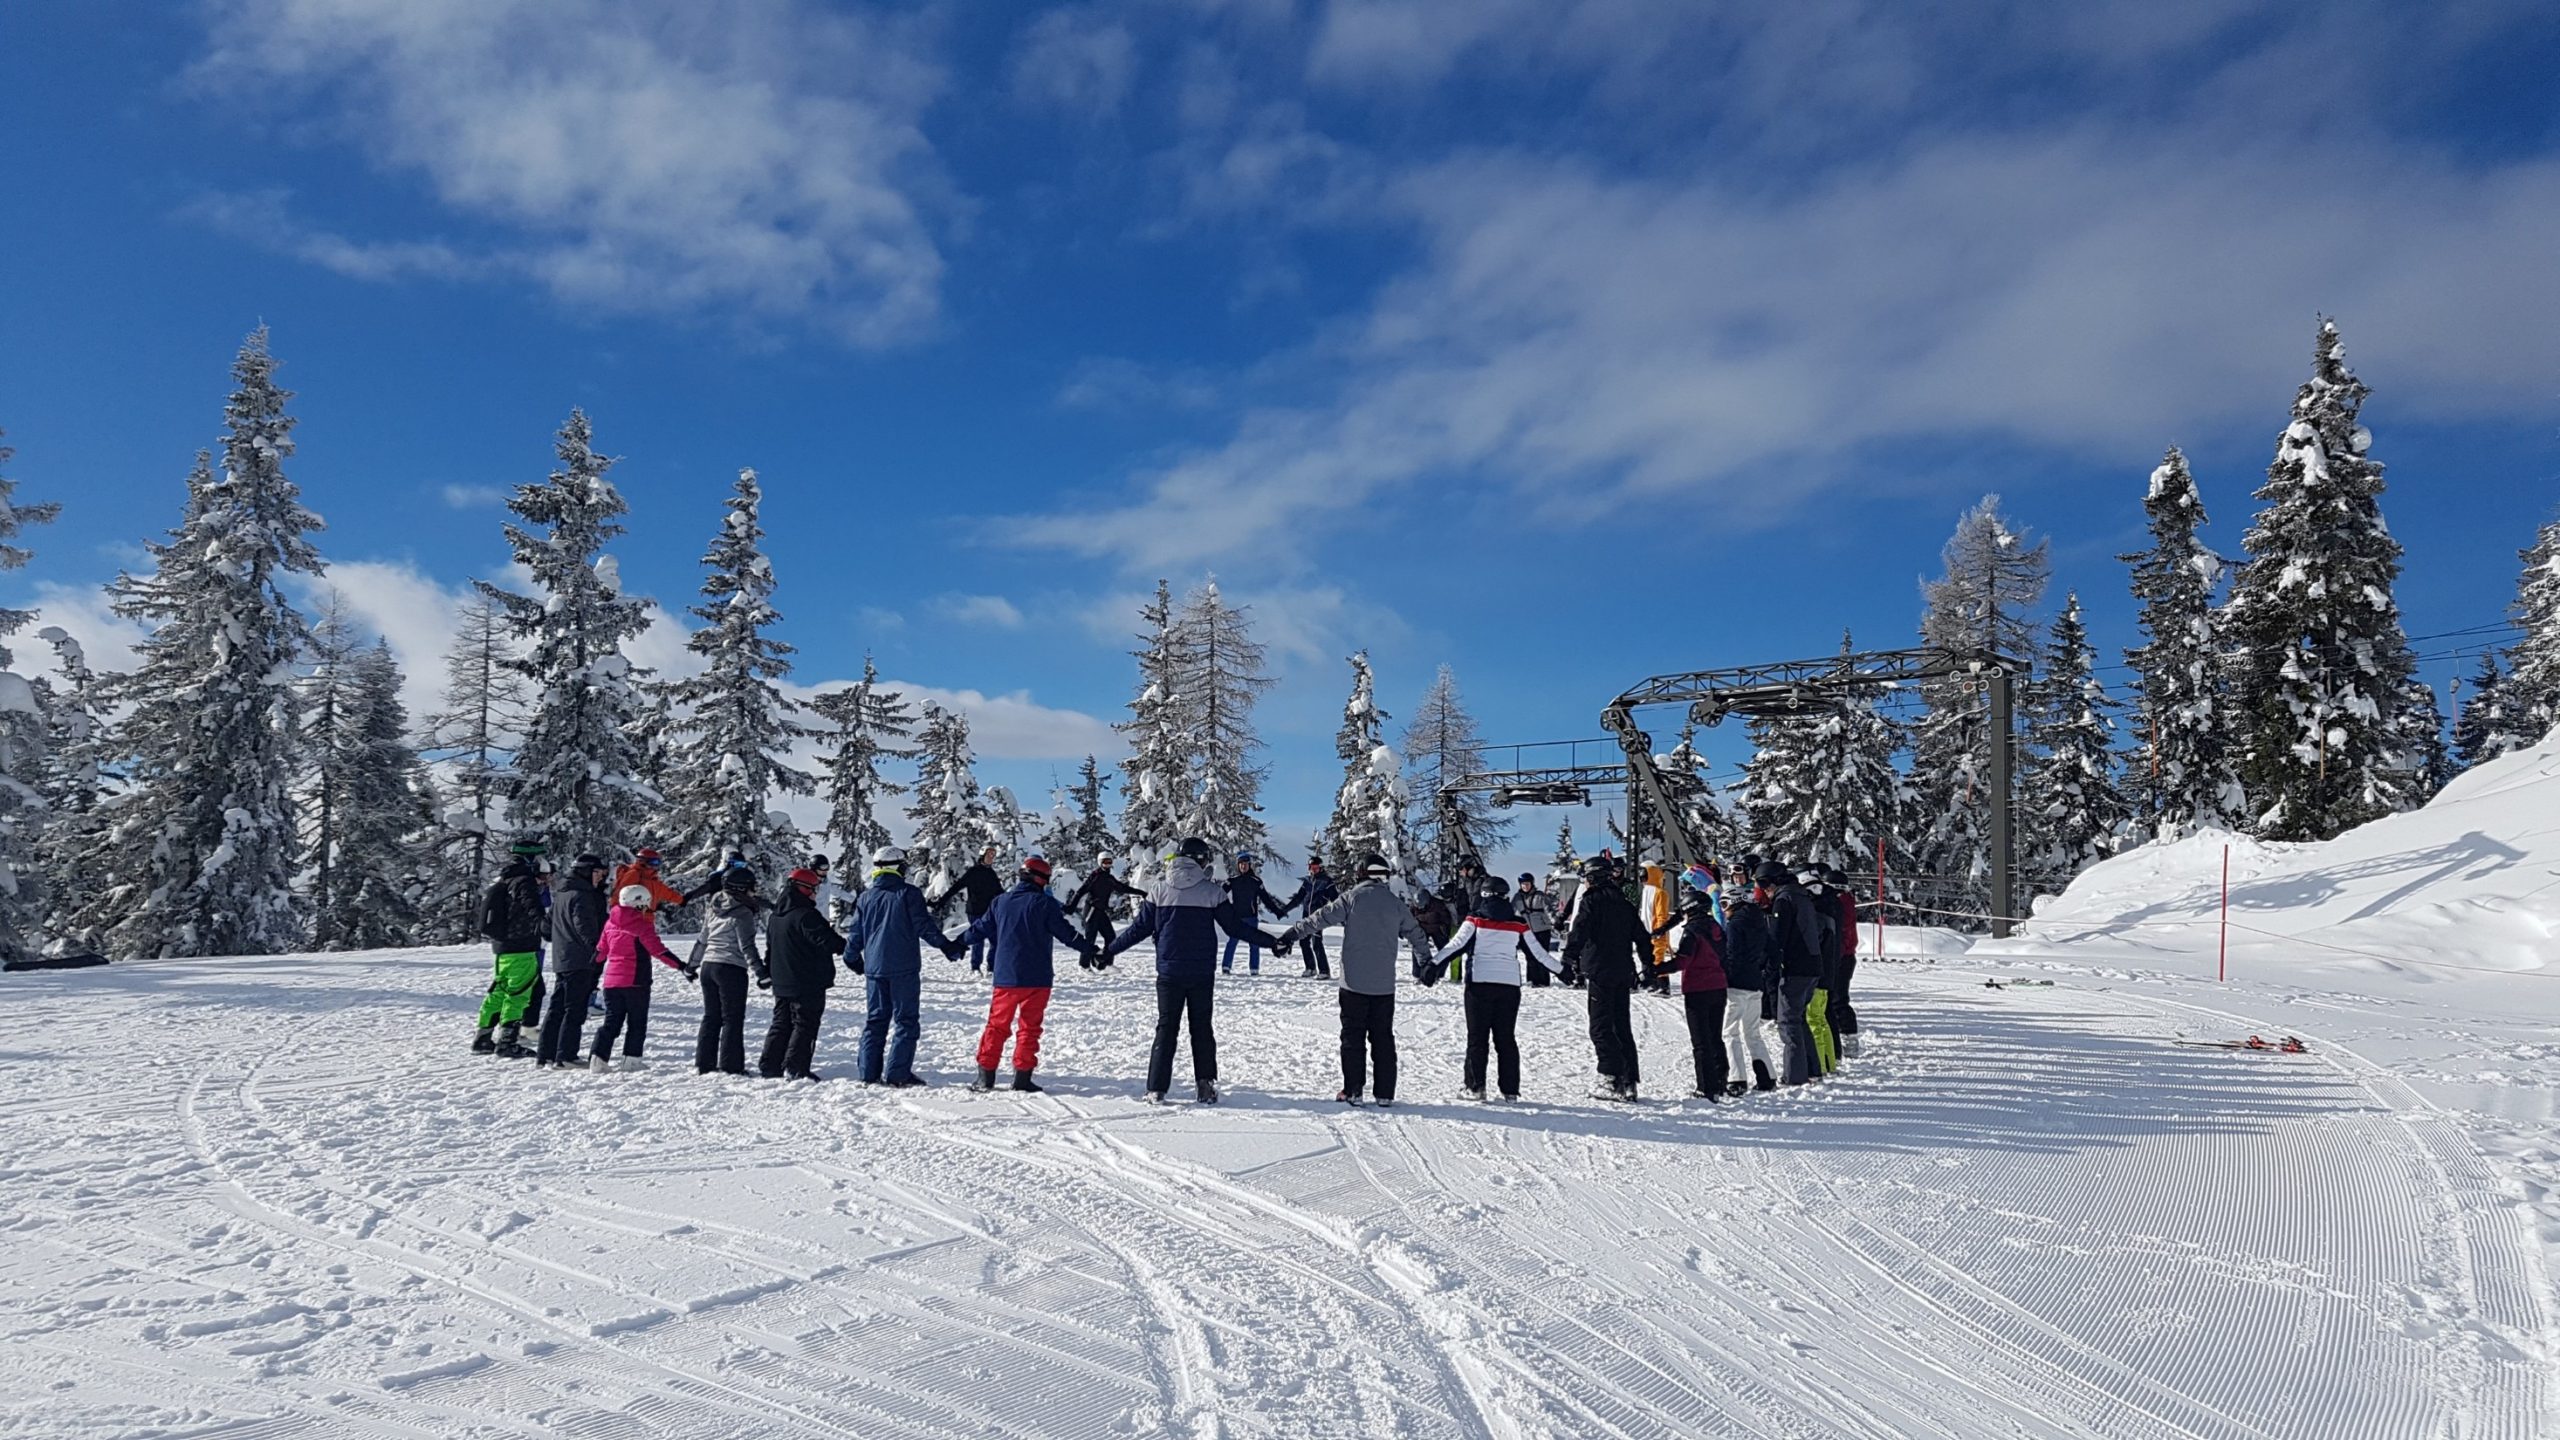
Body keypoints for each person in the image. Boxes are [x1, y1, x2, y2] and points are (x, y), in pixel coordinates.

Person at [1102, 837, 1290, 1104]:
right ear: (1201, 860)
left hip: (1169, 972)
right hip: (1201, 972)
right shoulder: (1212, 892)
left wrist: (1109, 950)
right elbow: (1235, 928)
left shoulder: (1158, 889)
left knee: (1166, 1028)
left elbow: (1138, 930)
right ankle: (1205, 1087)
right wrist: (1272, 943)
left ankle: (1156, 1089)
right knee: (1201, 1029)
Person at [1287, 852, 1431, 1105]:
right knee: (1383, 1037)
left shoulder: (1351, 898)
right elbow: (1416, 933)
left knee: (1353, 1037)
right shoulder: (1395, 904)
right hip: (1384, 985)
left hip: (1353, 983)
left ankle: (1353, 1090)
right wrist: (1426, 962)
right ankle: (1385, 1094)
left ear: (1363, 872)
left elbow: (1319, 918)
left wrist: (1291, 935)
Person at [960, 855, 1096, 1092]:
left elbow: (979, 929)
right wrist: (1091, 950)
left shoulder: (1000, 902)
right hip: (1038, 978)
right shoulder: (1045, 905)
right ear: (1040, 879)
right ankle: (1022, 1078)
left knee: (996, 1026)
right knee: (1030, 1027)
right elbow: (1067, 935)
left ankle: (985, 1078)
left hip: (1006, 978)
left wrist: (957, 944)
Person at [1425, 874, 1563, 1101]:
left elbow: (1455, 946)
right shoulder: (1518, 924)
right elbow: (1538, 954)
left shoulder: (1475, 920)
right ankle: (1510, 1091)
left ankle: (1475, 1087)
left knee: (1477, 1039)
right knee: (1506, 1039)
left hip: (1479, 984)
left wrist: (1433, 965)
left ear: (1484, 895)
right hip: (1509, 987)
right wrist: (1561, 970)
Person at [842, 847, 965, 1086]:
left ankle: (868, 1073)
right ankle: (898, 1074)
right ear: (898, 867)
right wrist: (946, 946)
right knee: (905, 1021)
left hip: (875, 969)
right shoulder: (907, 894)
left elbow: (856, 934)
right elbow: (924, 926)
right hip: (903, 968)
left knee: (875, 1021)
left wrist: (852, 958)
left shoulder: (866, 898)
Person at [1564, 855, 1646, 1100]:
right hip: (1623, 970)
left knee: (1600, 1026)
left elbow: (1579, 931)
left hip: (1601, 971)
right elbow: (1642, 937)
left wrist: (1569, 958)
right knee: (1621, 1025)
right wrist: (1648, 966)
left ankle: (1609, 1077)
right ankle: (1629, 1080)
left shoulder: (1592, 902)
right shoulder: (1624, 903)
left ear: (1592, 877)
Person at [591, 883, 696, 1072]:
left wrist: (591, 966)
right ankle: (631, 1059)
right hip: (636, 980)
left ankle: (598, 1058)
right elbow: (659, 951)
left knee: (611, 1021)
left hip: (612, 982)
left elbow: (600, 951)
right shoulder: (641, 925)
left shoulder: (610, 923)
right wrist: (681, 966)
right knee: (637, 1021)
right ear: (638, 904)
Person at [760, 867, 846, 1080]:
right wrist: (844, 945)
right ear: (803, 889)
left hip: (781, 980)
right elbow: (829, 941)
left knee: (781, 1022)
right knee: (804, 1024)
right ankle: (796, 1067)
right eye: (814, 888)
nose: (816, 893)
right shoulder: (806, 915)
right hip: (807, 980)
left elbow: (770, 949)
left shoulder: (776, 917)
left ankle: (770, 1064)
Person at [1651, 869, 1730, 1100]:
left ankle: (1706, 1087)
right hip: (1719, 987)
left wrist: (1657, 969)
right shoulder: (1716, 927)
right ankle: (1721, 1079)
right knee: (1716, 1036)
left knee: (1701, 1040)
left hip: (1698, 989)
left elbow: (1682, 961)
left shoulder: (1692, 932)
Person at [473, 837, 550, 1057]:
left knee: (498, 992)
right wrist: (544, 925)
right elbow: (531, 906)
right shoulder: (524, 881)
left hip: (502, 947)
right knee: (519, 993)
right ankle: (507, 1041)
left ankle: (483, 1038)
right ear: (530, 859)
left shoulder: (505, 879)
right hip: (522, 945)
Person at [537, 853, 610, 1068]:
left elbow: (546, 928)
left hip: (563, 958)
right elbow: (584, 926)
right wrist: (598, 950)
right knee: (574, 1008)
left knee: (557, 1007)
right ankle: (566, 1055)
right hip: (580, 960)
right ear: (586, 871)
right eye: (597, 873)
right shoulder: (583, 895)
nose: (600, 878)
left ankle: (546, 1054)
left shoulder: (563, 893)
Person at [694, 867, 764, 1076]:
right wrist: (761, 972)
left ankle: (704, 1063)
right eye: (752, 887)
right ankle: (731, 1065)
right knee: (732, 1018)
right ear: (742, 888)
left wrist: (692, 965)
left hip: (708, 966)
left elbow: (703, 939)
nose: (754, 892)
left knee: (711, 1016)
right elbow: (747, 946)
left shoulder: (714, 906)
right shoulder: (742, 913)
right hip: (730, 968)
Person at [1763, 862, 1826, 1086]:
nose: (1764, 891)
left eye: (1764, 885)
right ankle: (1812, 1069)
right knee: (1799, 1020)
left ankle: (1795, 1076)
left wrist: (1768, 963)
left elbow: (1777, 937)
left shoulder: (1785, 899)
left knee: (1788, 1022)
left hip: (1796, 968)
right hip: (1812, 965)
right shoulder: (1801, 896)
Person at [1719, 871, 1778, 1093]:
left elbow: (1732, 952)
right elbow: (1772, 951)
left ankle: (1736, 1079)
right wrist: (1763, 971)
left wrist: (1725, 973)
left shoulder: (1736, 923)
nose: (1723, 909)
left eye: (1725, 903)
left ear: (1735, 901)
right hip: (1755, 983)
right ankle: (1767, 1077)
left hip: (1736, 984)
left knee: (1730, 1031)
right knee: (1752, 1032)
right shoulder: (1759, 920)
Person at [1220, 852, 1288, 975]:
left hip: (1251, 918)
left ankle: (1254, 969)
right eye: (1241, 864)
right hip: (1236, 918)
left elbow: (1266, 899)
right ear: (1238, 866)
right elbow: (1219, 893)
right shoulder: (1233, 881)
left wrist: (1277, 912)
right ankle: (1226, 967)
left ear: (1249, 865)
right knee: (1232, 942)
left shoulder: (1256, 882)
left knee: (1254, 943)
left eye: (1245, 864)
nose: (1243, 867)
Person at [943, 845, 1007, 974]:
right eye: (989, 854)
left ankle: (992, 968)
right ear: (982, 855)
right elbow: (956, 887)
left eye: (993, 854)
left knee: (995, 940)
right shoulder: (973, 872)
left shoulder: (991, 873)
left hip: (990, 913)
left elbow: (1000, 893)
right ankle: (975, 967)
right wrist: (941, 902)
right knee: (978, 940)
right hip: (975, 911)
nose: (991, 857)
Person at [1066, 856, 1144, 951]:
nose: (1107, 865)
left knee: (1110, 937)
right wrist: (1071, 906)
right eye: (1105, 862)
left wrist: (1141, 893)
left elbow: (1123, 888)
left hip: (1100, 911)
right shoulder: (1095, 876)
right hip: (1092, 910)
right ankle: (1084, 965)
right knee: (1090, 939)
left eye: (1109, 862)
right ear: (1100, 862)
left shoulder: (1109, 879)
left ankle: (1105, 962)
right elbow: (1080, 892)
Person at [1280, 857, 1341, 979]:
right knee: (1303, 942)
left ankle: (1324, 971)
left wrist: (1337, 913)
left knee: (1317, 942)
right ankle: (1310, 968)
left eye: (1316, 868)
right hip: (1306, 915)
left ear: (1321, 868)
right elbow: (1298, 898)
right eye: (1311, 868)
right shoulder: (1307, 881)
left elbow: (1335, 899)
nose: (1314, 870)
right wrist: (1285, 910)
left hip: (1319, 917)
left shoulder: (1326, 881)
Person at [1825, 866, 1863, 1058]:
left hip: (1842, 957)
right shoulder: (1844, 901)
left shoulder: (1840, 903)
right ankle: (1844, 1037)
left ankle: (1849, 1038)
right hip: (1843, 955)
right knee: (1835, 998)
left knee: (1838, 999)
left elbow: (1842, 933)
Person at [614, 847, 686, 915]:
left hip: (647, 918)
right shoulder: (635, 874)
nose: (656, 865)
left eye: (658, 862)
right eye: (654, 862)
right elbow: (620, 893)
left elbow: (666, 893)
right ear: (643, 861)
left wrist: (681, 900)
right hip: (633, 918)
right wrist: (619, 913)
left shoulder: (652, 879)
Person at [1515, 874, 1557, 988]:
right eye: (1523, 884)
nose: (1525, 886)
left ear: (1532, 884)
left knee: (1542, 955)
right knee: (1530, 956)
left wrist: (1555, 922)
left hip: (1542, 930)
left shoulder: (1540, 896)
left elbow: (1549, 911)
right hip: (1526, 931)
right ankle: (1532, 979)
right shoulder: (1517, 898)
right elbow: (1512, 912)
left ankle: (1543, 980)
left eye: (1527, 884)